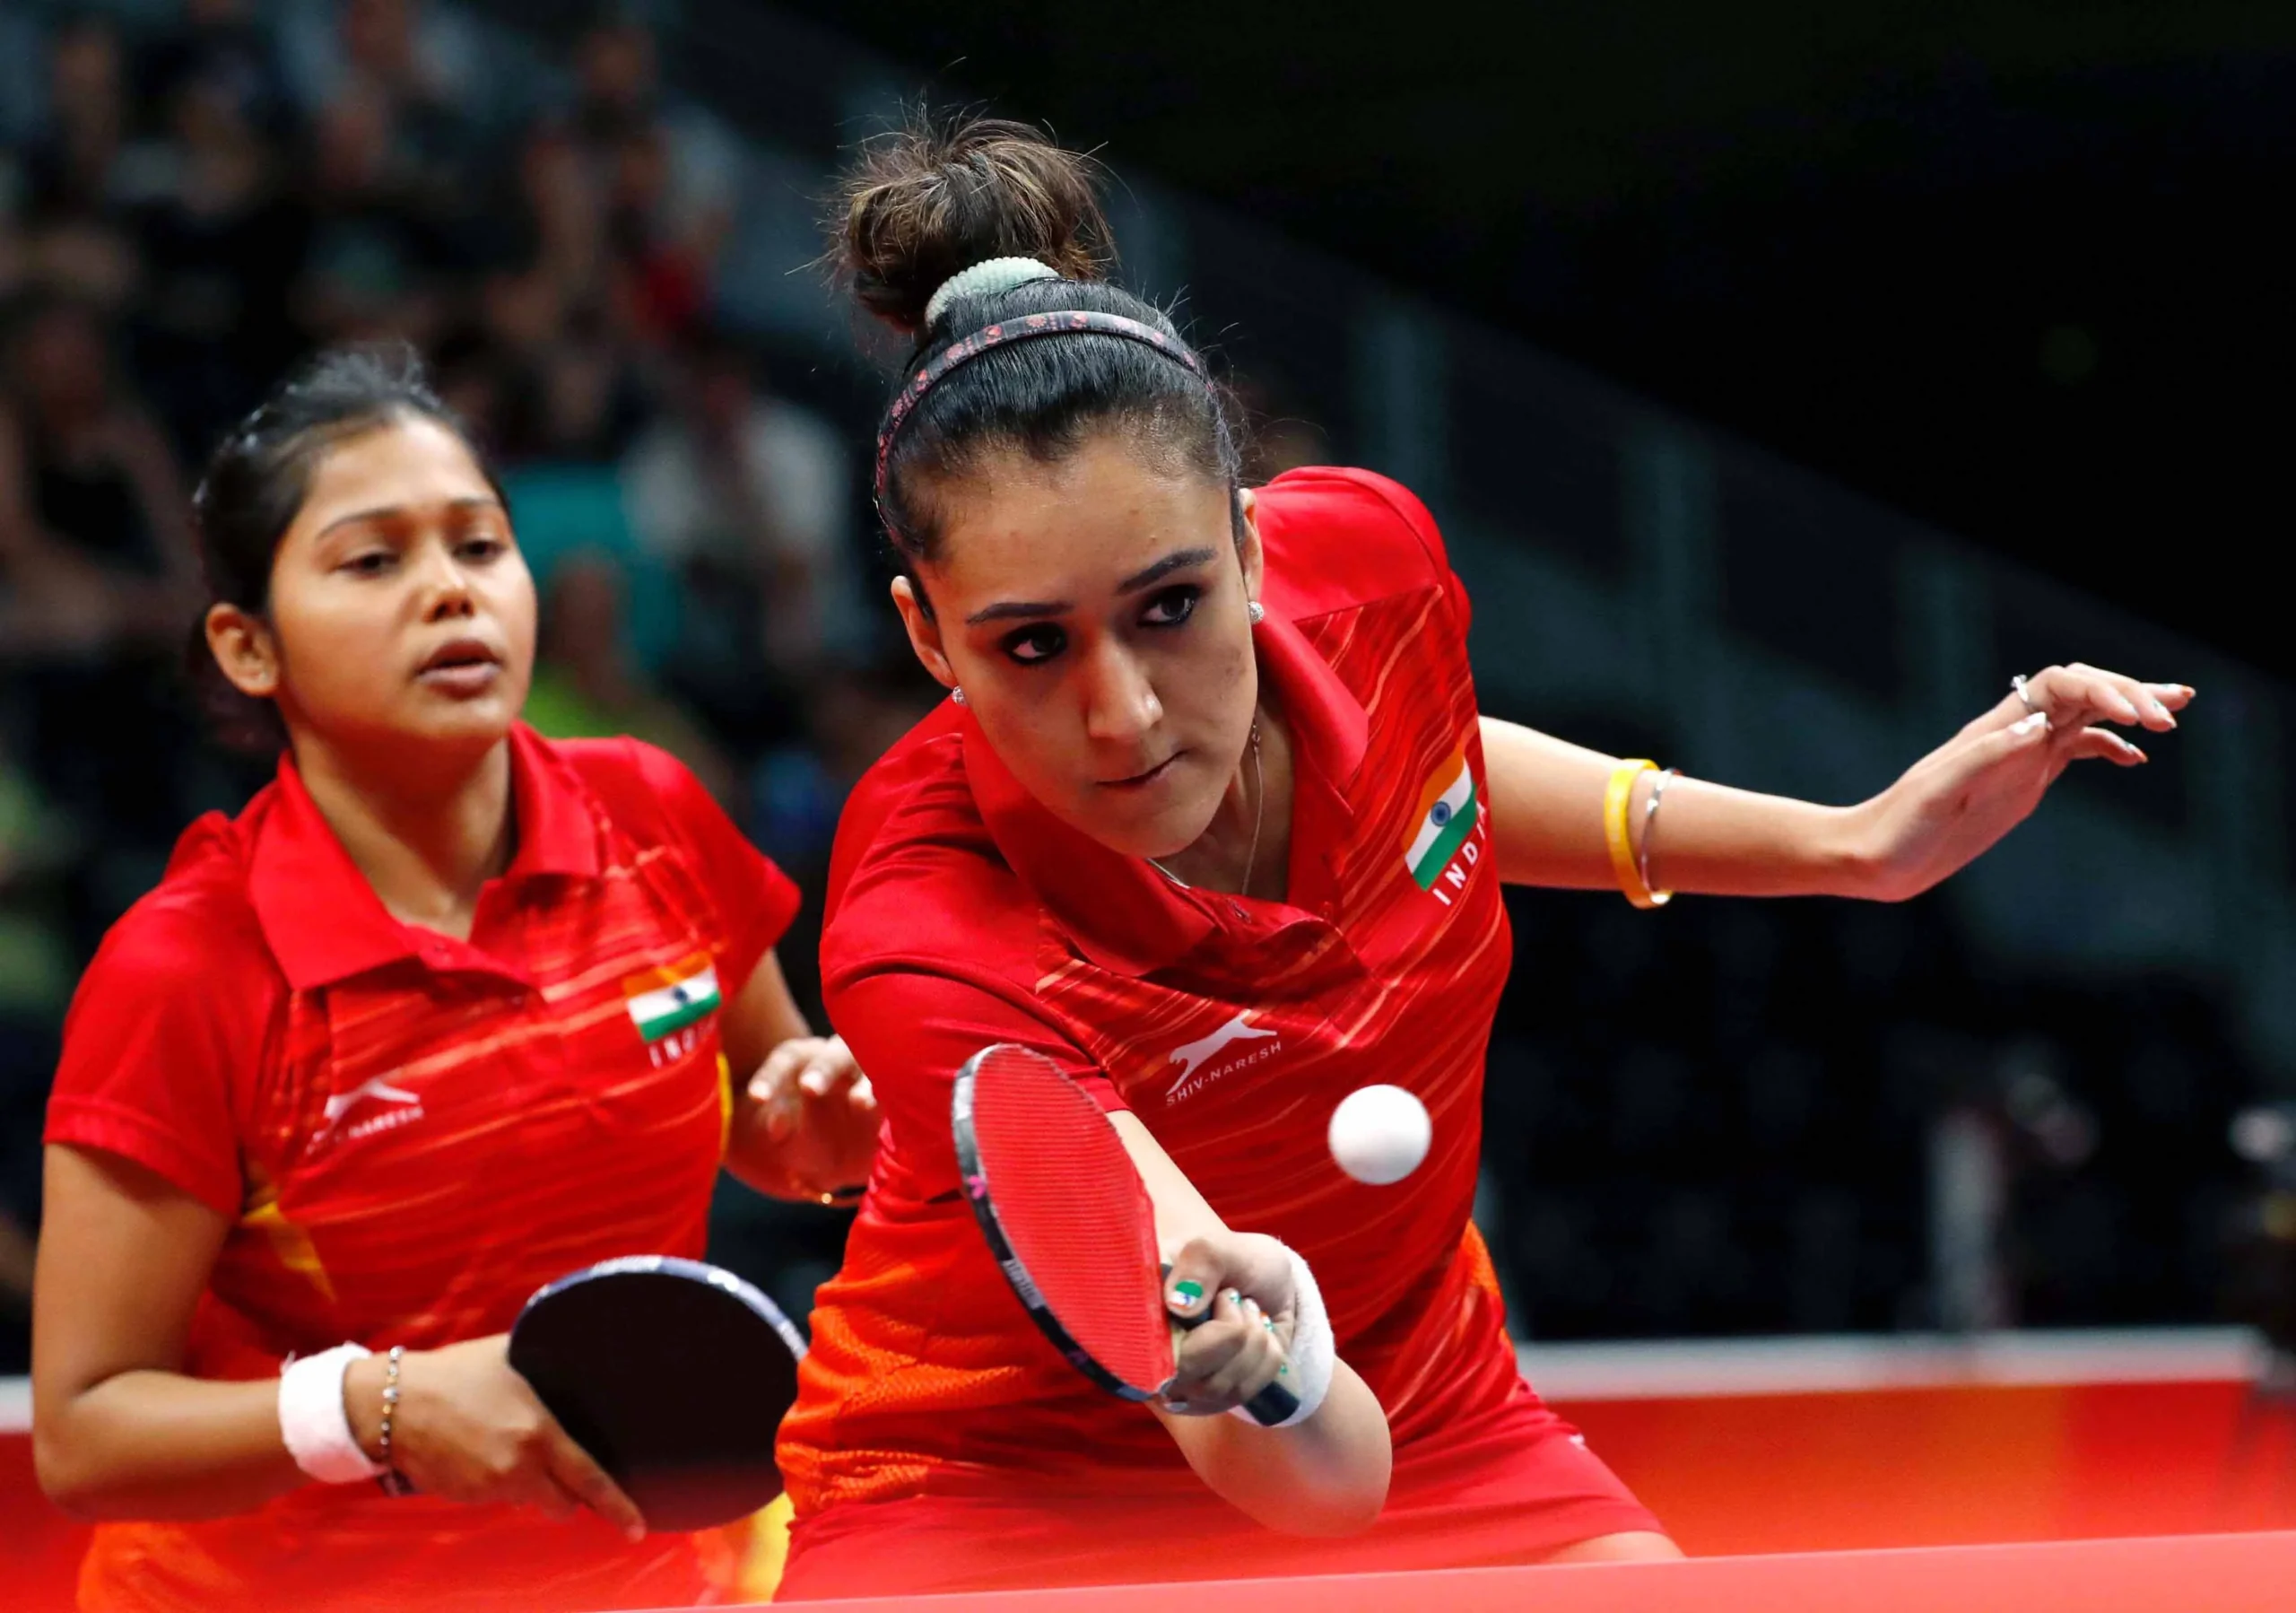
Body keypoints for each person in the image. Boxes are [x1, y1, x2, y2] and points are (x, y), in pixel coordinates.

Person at [770, 118, 2192, 1599]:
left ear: (1251, 549)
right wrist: (1253, 1348)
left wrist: (1856, 846)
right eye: (1031, 646)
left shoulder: (1372, 568)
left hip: (1435, 1402)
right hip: (1003, 1471)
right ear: (929, 638)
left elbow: (1430, 764)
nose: (1120, 712)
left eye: (1170, 608)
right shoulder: (923, 918)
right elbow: (1315, 1477)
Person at [30, 346, 878, 1613]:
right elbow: (85, 1431)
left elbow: (770, 1121)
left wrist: (825, 1129)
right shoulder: (189, 966)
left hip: (649, 1584)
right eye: (374, 561)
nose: (449, 590)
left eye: (480, 546)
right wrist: (377, 1405)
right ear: (248, 647)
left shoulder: (647, 812)